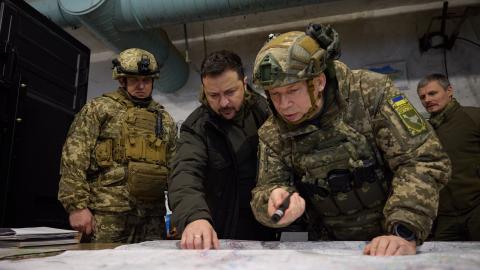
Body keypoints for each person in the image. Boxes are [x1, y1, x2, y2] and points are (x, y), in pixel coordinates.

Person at [250, 24, 451, 256]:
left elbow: (423, 160)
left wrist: (404, 230)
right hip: (332, 250)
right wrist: (272, 201)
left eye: (293, 90)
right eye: (275, 95)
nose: (284, 105)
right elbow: (264, 190)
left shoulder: (371, 93)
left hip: (398, 238)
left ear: (319, 82)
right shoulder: (272, 131)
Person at [58, 48, 177, 243]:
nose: (141, 86)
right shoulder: (100, 108)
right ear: (122, 80)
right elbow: (74, 156)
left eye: (146, 80)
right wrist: (76, 206)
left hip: (152, 217)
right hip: (107, 213)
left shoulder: (164, 119)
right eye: (134, 80)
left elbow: (175, 170)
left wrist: (180, 214)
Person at [168, 50, 276, 249]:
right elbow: (185, 173)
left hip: (273, 227)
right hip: (223, 231)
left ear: (244, 83)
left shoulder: (268, 113)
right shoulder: (198, 126)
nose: (224, 103)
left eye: (230, 92)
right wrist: (194, 217)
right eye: (214, 95)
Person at [417, 74, 480, 241]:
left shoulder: (473, 117)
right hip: (445, 216)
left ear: (449, 91)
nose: (427, 100)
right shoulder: (425, 130)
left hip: (475, 209)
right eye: (422, 97)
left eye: (432, 93)